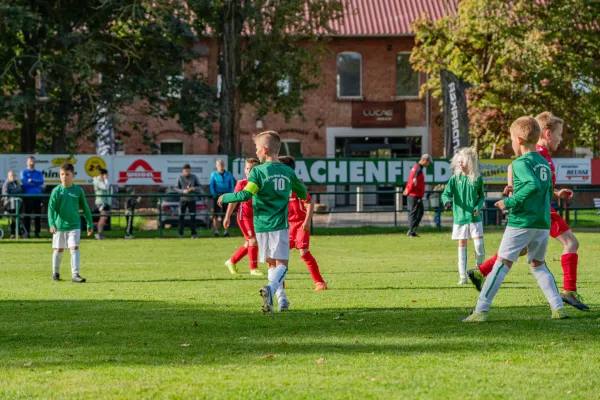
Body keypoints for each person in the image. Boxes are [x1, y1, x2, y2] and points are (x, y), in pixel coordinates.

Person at [468, 112, 589, 311]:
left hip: (540, 210)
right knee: (568, 244)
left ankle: (481, 273)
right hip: (539, 211)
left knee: (522, 252)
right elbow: (523, 174)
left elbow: (538, 183)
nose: (561, 139)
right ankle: (567, 292)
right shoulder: (538, 154)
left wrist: (557, 193)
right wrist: (512, 193)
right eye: (559, 135)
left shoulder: (541, 154)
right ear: (547, 133)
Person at [218, 131, 307, 314]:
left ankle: (281, 300)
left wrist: (225, 196)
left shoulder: (257, 172)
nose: (256, 152)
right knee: (282, 265)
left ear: (265, 149)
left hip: (261, 226)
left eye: (257, 148)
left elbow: (245, 194)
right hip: (279, 225)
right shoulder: (287, 171)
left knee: (272, 265)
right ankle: (271, 289)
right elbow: (303, 193)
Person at [280, 156, 327, 291]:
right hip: (286, 225)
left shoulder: (297, 184)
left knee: (304, 253)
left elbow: (310, 203)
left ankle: (319, 282)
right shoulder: (278, 186)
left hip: (300, 224)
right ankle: (280, 282)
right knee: (281, 255)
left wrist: (307, 221)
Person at [441, 147, 485, 285]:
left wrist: (477, 207)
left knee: (479, 245)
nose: (459, 164)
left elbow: (481, 197)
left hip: (474, 218)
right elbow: (445, 194)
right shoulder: (455, 178)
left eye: (462, 161)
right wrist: (447, 201)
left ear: (470, 162)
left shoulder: (477, 178)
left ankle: (479, 272)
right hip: (460, 218)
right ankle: (462, 277)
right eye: (458, 161)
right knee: (462, 246)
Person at [48, 163, 94, 283]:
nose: (64, 177)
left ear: (72, 175)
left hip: (74, 225)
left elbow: (85, 208)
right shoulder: (56, 191)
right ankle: (55, 272)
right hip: (60, 226)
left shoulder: (78, 190)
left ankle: (75, 274)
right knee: (59, 250)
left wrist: (89, 224)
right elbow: (51, 209)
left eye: (67, 174)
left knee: (74, 247)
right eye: (62, 174)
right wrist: (52, 224)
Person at [223, 158, 263, 276]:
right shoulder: (241, 183)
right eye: (247, 168)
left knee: (250, 243)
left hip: (257, 217)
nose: (249, 171)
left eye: (252, 169)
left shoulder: (262, 183)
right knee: (253, 241)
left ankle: (231, 261)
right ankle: (253, 268)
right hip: (244, 216)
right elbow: (234, 201)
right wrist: (227, 217)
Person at [403, 154, 432, 237]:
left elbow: (411, 179)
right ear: (425, 160)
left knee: (418, 212)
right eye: (428, 162)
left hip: (414, 194)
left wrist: (407, 188)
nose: (428, 164)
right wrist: (409, 189)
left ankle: (412, 230)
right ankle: (411, 231)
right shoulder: (418, 168)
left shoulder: (416, 167)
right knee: (415, 212)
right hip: (415, 195)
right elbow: (413, 179)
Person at [174, 164, 202, 239]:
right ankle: (180, 233)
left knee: (193, 217)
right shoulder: (180, 178)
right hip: (183, 200)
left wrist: (194, 188)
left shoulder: (194, 177)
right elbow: (176, 188)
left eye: (188, 171)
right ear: (183, 171)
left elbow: (199, 187)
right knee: (181, 217)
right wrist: (183, 191)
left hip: (192, 200)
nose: (187, 172)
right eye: (185, 171)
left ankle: (194, 234)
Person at [210, 159, 235, 237]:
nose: (220, 166)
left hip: (226, 197)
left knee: (226, 214)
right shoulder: (213, 174)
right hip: (217, 197)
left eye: (221, 164)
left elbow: (232, 185)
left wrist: (230, 195)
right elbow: (211, 186)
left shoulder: (229, 174)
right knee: (215, 215)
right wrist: (215, 195)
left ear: (224, 165)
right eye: (219, 164)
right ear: (216, 166)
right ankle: (216, 231)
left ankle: (225, 231)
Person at [21, 156, 44, 238]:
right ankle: (26, 233)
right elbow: (25, 183)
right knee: (27, 215)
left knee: (37, 216)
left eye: (33, 161)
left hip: (38, 196)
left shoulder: (39, 173)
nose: (32, 162)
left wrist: (32, 180)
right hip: (28, 196)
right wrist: (36, 184)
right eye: (30, 161)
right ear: (27, 162)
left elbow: (41, 181)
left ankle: (37, 233)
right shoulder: (24, 172)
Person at [2, 170, 23, 239]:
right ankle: (13, 233)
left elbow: (20, 192)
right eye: (11, 175)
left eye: (14, 175)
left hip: (18, 204)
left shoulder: (17, 183)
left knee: (18, 218)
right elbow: (5, 194)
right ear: (8, 176)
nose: (13, 177)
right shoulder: (6, 184)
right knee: (13, 218)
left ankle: (19, 233)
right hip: (9, 206)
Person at [93, 168, 111, 240]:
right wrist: (105, 179)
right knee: (103, 217)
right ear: (103, 174)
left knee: (105, 217)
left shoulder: (102, 181)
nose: (107, 176)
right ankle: (98, 234)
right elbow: (105, 187)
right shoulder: (97, 181)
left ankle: (100, 233)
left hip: (105, 201)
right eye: (106, 175)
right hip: (101, 201)